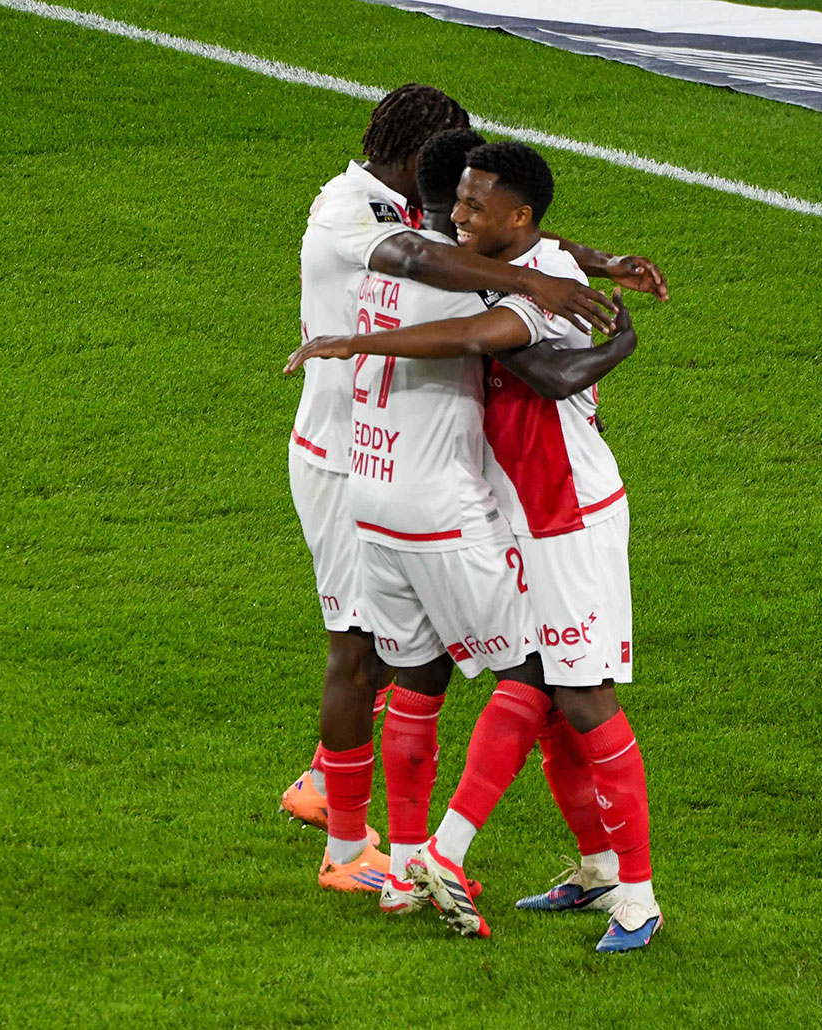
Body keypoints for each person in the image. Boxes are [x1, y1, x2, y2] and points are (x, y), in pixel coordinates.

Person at [284, 83, 661, 893]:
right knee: (391, 656)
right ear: (428, 165)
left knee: (411, 663)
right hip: (357, 464)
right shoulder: (355, 217)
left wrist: (591, 262)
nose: (466, 205)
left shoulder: (407, 213)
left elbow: (484, 239)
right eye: (461, 186)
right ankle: (367, 843)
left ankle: (405, 851)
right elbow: (439, 265)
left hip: (386, 467)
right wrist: (541, 287)